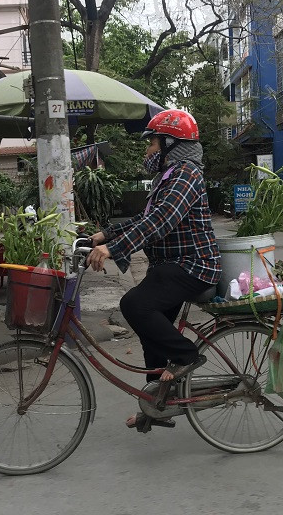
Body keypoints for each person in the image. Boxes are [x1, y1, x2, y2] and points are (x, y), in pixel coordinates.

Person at [86, 109, 221, 430]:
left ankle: (188, 356)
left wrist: (112, 249)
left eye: (152, 144)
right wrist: (103, 234)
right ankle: (156, 407)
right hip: (172, 266)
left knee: (134, 304)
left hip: (194, 266)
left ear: (171, 144)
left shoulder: (186, 174)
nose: (147, 152)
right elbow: (147, 218)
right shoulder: (168, 177)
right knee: (151, 334)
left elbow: (161, 221)